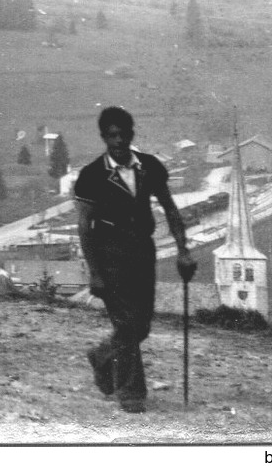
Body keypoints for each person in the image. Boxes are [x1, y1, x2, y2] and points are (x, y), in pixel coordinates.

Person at [74, 105, 196, 414]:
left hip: (143, 252)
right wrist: (95, 273)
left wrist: (183, 250)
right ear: (104, 137)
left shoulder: (150, 167)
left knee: (141, 327)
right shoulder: (91, 176)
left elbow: (169, 208)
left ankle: (102, 355)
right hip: (109, 255)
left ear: (131, 135)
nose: (118, 141)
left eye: (123, 134)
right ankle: (131, 393)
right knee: (127, 324)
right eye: (112, 135)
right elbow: (84, 228)